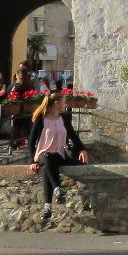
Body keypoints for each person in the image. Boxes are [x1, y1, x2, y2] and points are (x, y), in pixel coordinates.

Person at [28, 92, 88, 223]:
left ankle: (48, 207)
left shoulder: (64, 118)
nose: (65, 105)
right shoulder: (41, 119)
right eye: (64, 102)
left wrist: (82, 149)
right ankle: (57, 189)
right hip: (42, 155)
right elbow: (31, 142)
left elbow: (73, 135)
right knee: (47, 158)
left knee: (48, 168)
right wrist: (32, 161)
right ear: (56, 103)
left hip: (59, 155)